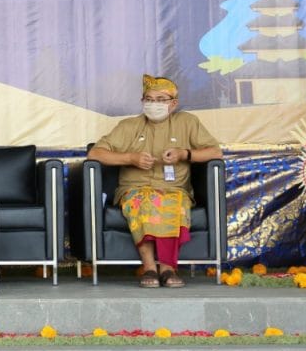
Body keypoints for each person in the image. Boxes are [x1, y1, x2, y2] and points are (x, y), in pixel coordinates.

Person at [87, 74, 222, 288]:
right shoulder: (129, 126)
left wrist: (184, 154)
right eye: (149, 99)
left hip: (174, 189)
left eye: (160, 100)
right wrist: (130, 158)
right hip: (135, 189)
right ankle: (149, 267)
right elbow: (95, 154)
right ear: (142, 102)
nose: (154, 104)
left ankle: (168, 269)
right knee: (145, 202)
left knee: (172, 204)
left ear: (173, 103)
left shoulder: (187, 122)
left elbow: (215, 152)